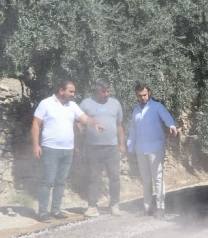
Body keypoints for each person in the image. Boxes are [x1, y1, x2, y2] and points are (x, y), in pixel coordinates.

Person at [31, 80, 103, 222]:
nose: (73, 94)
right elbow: (35, 124)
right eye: (71, 91)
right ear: (61, 90)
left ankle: (56, 209)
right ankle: (42, 212)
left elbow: (84, 118)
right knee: (48, 180)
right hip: (50, 148)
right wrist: (35, 145)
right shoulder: (46, 103)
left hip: (67, 150)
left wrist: (94, 123)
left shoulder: (72, 106)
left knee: (61, 181)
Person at [127, 83, 177, 219]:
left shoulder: (157, 107)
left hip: (156, 148)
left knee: (158, 178)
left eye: (144, 95)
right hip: (141, 149)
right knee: (146, 179)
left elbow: (167, 117)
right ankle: (147, 207)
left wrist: (171, 125)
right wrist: (130, 146)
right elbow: (133, 129)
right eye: (140, 95)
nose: (142, 97)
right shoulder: (136, 110)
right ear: (136, 95)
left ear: (149, 93)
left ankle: (161, 208)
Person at [76, 78, 126, 217]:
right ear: (97, 90)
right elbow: (79, 124)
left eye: (108, 91)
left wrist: (122, 144)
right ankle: (92, 206)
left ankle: (114, 204)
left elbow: (119, 125)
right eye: (103, 92)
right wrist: (78, 144)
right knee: (93, 177)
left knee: (114, 176)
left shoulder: (115, 104)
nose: (106, 94)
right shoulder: (86, 103)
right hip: (92, 147)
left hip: (111, 147)